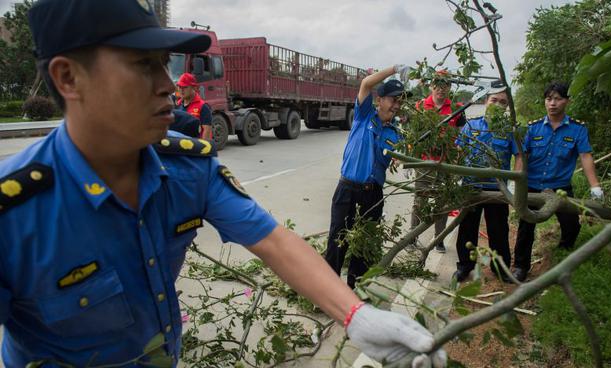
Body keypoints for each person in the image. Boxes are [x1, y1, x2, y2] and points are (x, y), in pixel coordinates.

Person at [0, 1, 446, 366]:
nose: (169, 87)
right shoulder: (15, 215)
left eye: (165, 65)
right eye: (143, 66)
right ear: (68, 77)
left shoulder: (186, 168)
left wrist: (356, 315)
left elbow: (273, 241)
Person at [324, 66, 410, 289]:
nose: (396, 105)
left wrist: (404, 160)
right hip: (347, 190)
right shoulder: (363, 116)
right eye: (393, 100)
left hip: (373, 194)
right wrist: (394, 69)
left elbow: (399, 157)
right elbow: (365, 84)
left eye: (400, 102)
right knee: (338, 239)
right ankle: (329, 289)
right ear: (379, 99)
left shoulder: (395, 133)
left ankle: (357, 289)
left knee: (364, 244)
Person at [512, 81, 603, 282]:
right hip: (533, 186)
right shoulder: (533, 128)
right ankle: (520, 266)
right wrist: (516, 180)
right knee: (526, 226)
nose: (552, 103)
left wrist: (595, 186)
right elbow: (521, 155)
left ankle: (562, 252)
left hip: (561, 187)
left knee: (571, 225)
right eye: (549, 98)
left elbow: (585, 156)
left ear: (567, 101)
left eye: (558, 99)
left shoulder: (577, 129)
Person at [453, 84, 516, 282]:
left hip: (497, 191)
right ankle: (465, 266)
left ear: (507, 107)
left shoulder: (510, 131)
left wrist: (514, 184)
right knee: (467, 229)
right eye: (494, 100)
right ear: (486, 101)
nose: (498, 104)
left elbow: (519, 157)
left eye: (503, 102)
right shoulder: (471, 126)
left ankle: (500, 267)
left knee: (499, 230)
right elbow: (459, 153)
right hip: (471, 189)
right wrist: (454, 178)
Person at [410, 70, 466, 253]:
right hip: (425, 162)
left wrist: (458, 155)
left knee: (443, 202)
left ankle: (439, 239)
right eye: (437, 84)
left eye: (445, 85)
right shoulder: (420, 106)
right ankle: (412, 237)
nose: (441, 89)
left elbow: (461, 135)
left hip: (446, 163)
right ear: (431, 85)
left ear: (449, 87)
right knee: (420, 200)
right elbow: (414, 135)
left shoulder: (457, 109)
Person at [175, 72, 213, 140]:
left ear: (194, 88)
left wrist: (202, 148)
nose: (181, 90)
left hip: (195, 147)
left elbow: (207, 131)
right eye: (179, 87)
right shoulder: (177, 105)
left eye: (185, 87)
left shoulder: (203, 107)